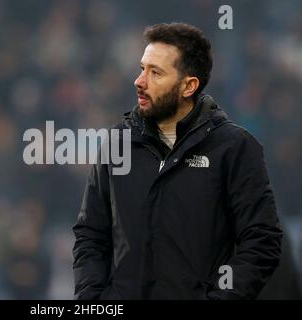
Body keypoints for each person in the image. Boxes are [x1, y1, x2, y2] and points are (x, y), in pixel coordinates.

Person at [72, 22, 283, 300]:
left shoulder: (234, 148)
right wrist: (93, 300)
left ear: (188, 86)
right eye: (142, 68)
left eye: (155, 72)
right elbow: (91, 234)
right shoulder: (117, 143)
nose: (140, 81)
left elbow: (262, 240)